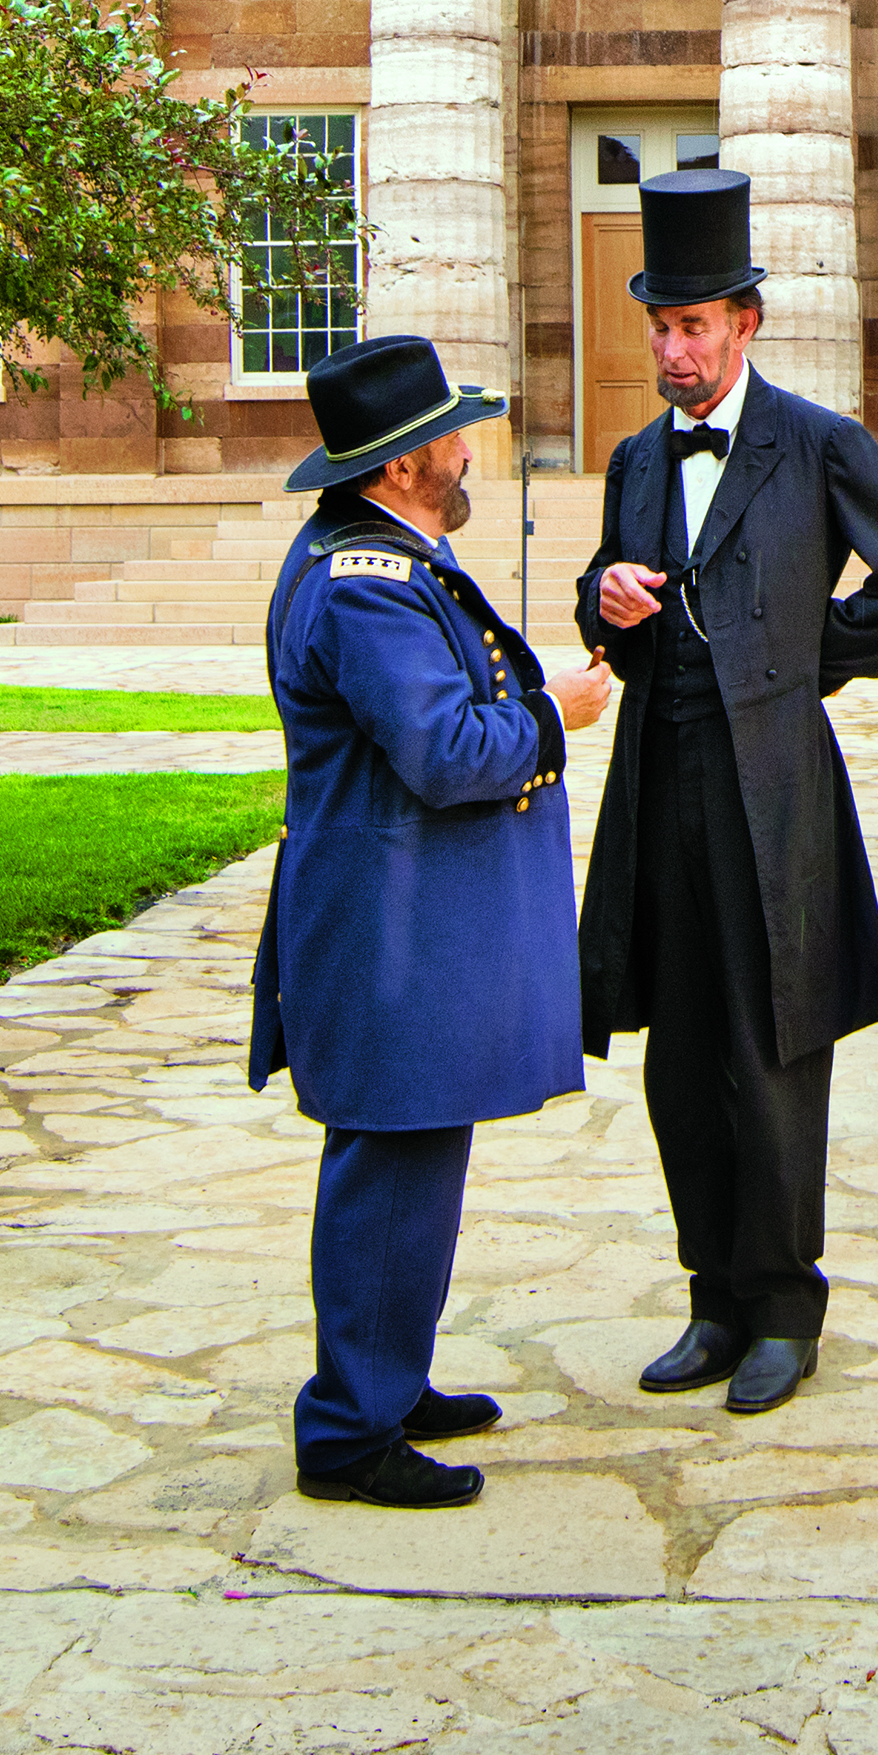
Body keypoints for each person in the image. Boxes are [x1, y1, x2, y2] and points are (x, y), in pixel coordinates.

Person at [576, 165, 878, 1416]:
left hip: (775, 784)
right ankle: (709, 1298)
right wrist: (607, 599)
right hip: (660, 778)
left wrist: (813, 658)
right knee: (679, 1055)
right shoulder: (638, 458)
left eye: (693, 327)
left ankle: (783, 1308)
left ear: (745, 324)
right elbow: (614, 592)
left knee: (771, 1043)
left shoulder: (817, 443)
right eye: (659, 325)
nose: (672, 348)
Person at [246, 333, 616, 1510]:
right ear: (403, 464)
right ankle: (349, 1429)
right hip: (387, 929)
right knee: (389, 1162)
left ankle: (386, 1379)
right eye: (451, 434)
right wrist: (556, 716)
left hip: (403, 921)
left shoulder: (381, 560)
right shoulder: (366, 586)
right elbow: (447, 751)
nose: (467, 452)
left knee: (418, 1152)